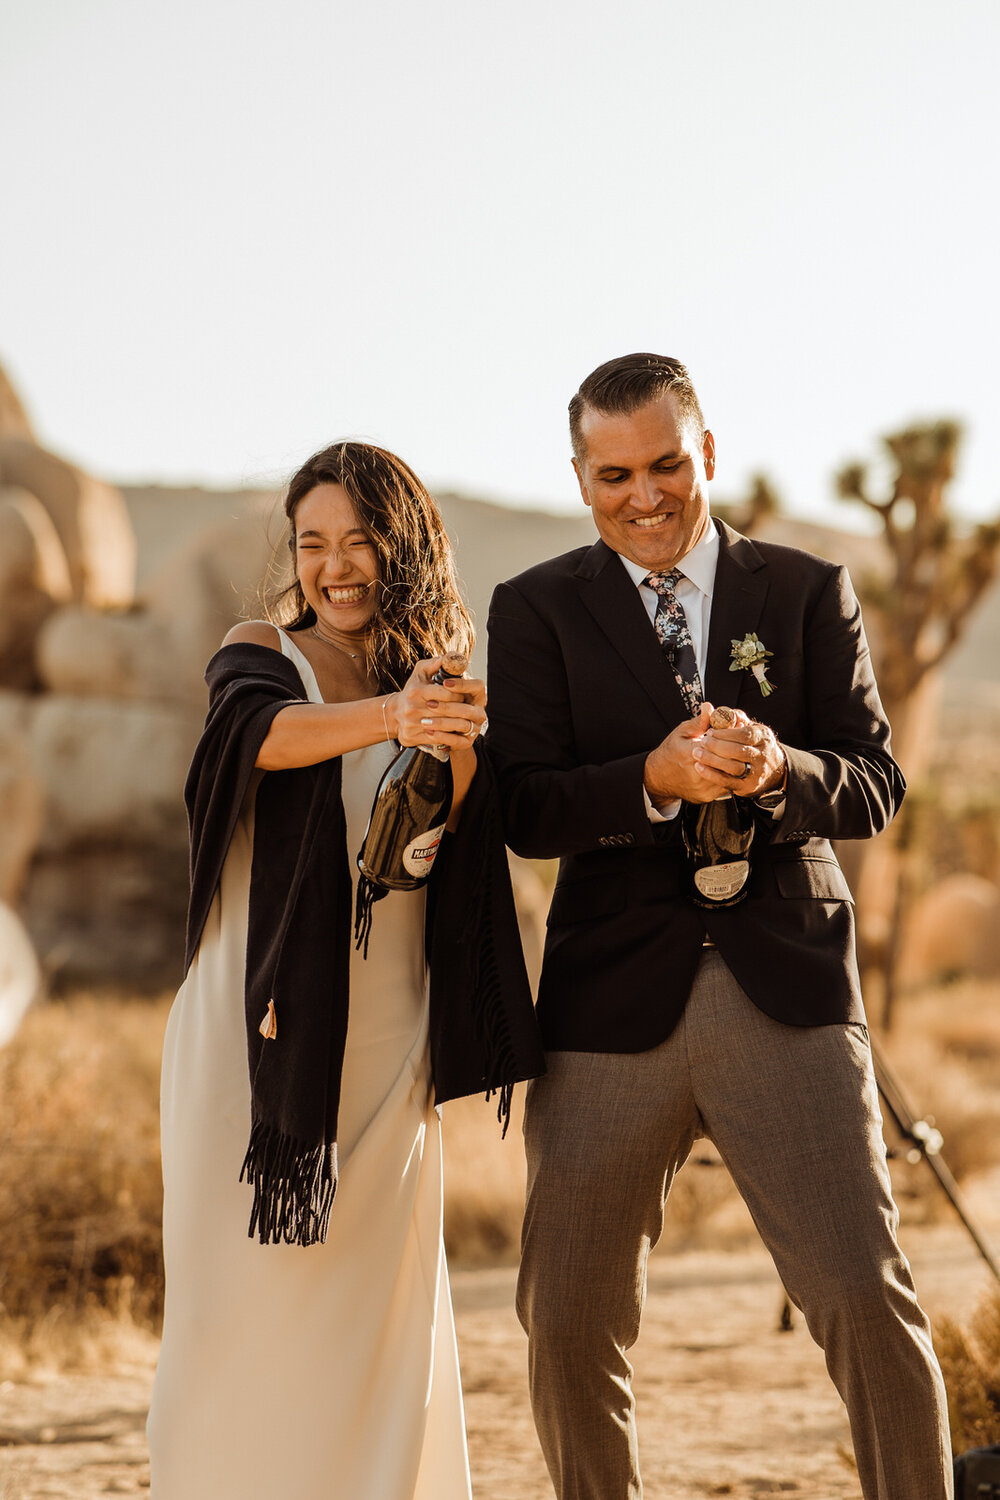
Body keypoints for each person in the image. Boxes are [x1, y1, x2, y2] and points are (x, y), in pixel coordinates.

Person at [485, 354, 953, 1500]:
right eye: (611, 476)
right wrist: (647, 778)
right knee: (567, 1319)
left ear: (704, 453)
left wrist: (774, 767)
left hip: (785, 990)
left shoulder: (804, 589)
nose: (640, 497)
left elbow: (876, 784)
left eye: (661, 466)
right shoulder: (535, 607)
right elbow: (524, 806)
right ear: (580, 476)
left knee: (861, 1295)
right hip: (606, 1011)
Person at [147, 440, 544, 1500]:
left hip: (386, 1046)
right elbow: (255, 737)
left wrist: (450, 743)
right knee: (237, 1317)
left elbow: (445, 850)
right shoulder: (259, 651)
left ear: (400, 548)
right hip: (254, 1040)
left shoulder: (439, 680)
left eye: (358, 543)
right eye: (312, 543)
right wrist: (392, 717)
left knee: (373, 1327)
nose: (332, 566)